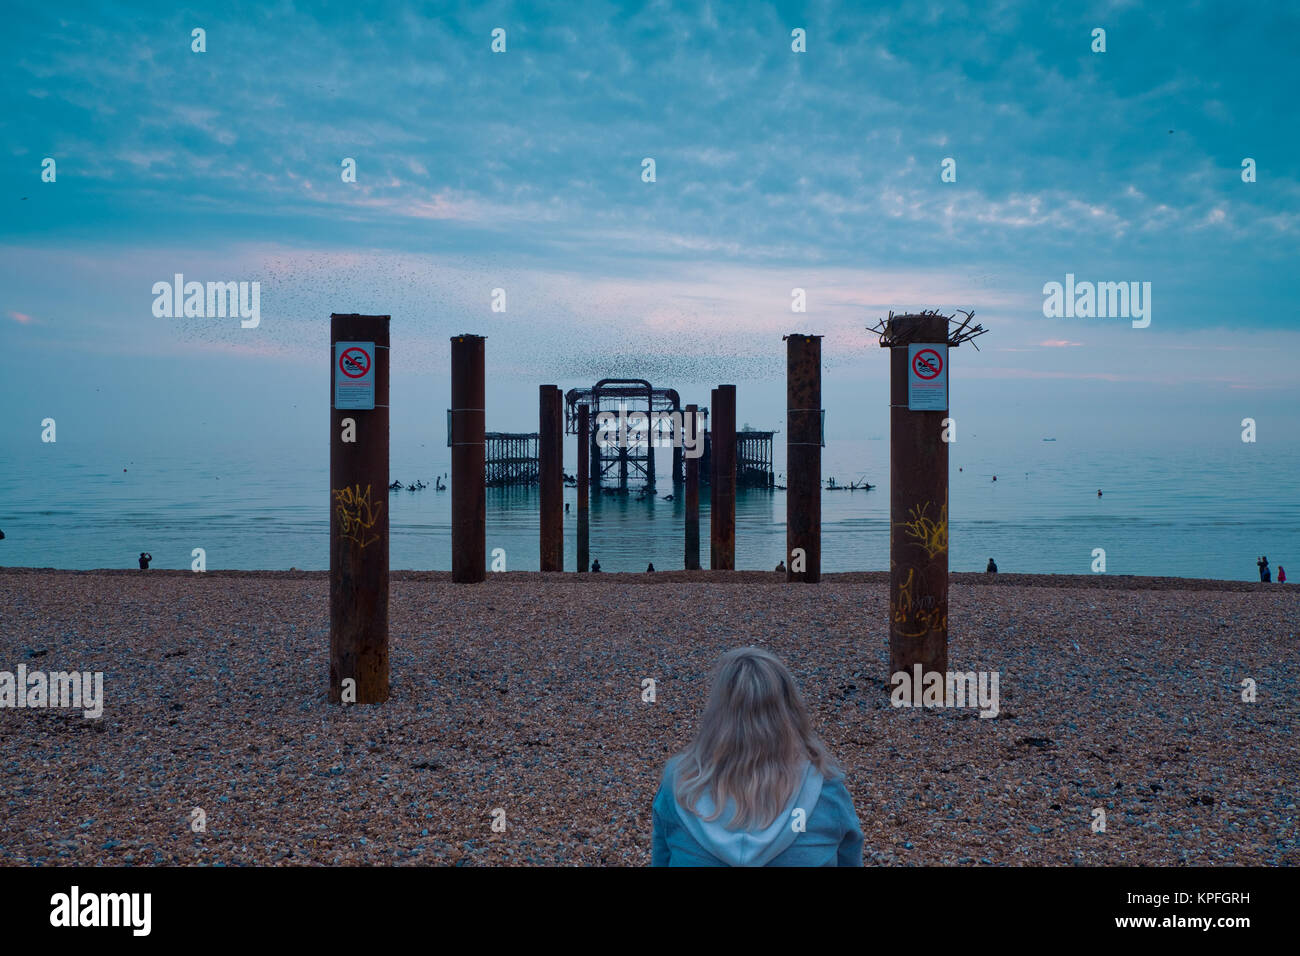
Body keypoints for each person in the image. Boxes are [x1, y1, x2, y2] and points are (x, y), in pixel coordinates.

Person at [651, 647, 864, 867]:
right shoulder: (827, 791)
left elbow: (661, 859)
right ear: (790, 713)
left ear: (715, 716)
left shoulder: (677, 788)